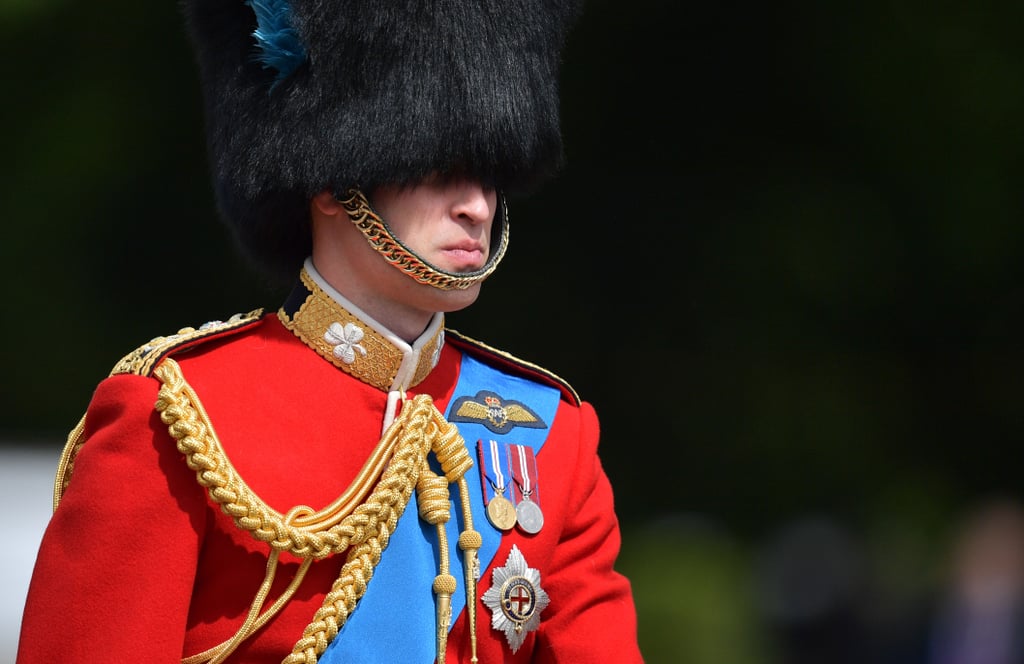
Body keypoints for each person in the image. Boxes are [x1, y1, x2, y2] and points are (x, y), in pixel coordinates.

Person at [16, 0, 642, 662]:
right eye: (439, 168)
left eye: (489, 172)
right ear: (334, 184)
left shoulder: (549, 434)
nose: (478, 205)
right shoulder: (173, 415)